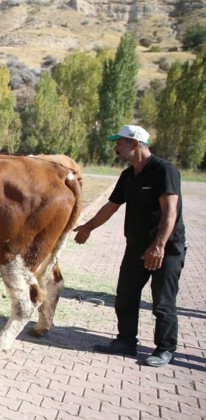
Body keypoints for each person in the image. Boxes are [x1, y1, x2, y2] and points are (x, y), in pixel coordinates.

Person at [73, 124, 186, 368]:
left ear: (135, 144)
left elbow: (170, 212)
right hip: (135, 247)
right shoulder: (128, 175)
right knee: (125, 297)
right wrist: (87, 227)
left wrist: (159, 245)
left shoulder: (164, 171)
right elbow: (111, 206)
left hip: (166, 250)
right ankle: (125, 342)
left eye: (120, 142)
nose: (116, 147)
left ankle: (165, 348)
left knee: (163, 303)